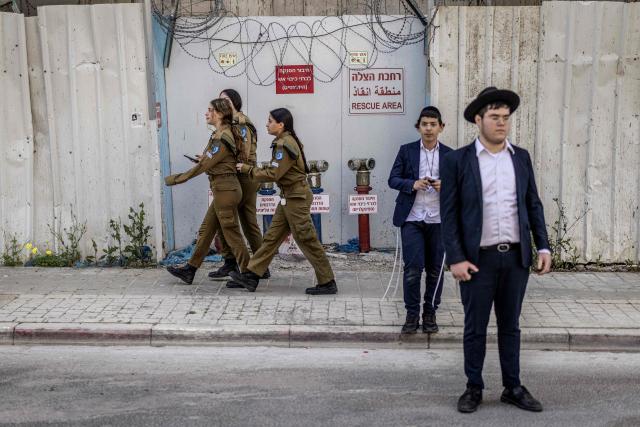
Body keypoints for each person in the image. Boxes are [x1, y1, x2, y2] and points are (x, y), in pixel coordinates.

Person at [440, 87, 552, 413]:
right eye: (494, 117)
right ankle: (474, 387)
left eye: (505, 118)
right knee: (475, 326)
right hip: (477, 260)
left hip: (515, 257)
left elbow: (533, 204)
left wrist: (542, 246)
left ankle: (512, 386)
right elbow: (449, 215)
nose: (502, 123)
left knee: (511, 325)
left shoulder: (521, 158)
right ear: (478, 119)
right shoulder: (457, 161)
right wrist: (456, 258)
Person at [226, 108, 337, 295]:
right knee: (271, 239)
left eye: (270, 121)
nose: (266, 124)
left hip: (296, 199)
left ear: (281, 124)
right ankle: (252, 275)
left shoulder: (283, 145)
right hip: (289, 197)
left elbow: (273, 173)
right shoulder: (287, 140)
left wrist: (248, 169)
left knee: (306, 239)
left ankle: (327, 281)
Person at [164, 98, 250, 285]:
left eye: (210, 110)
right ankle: (190, 269)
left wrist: (176, 179)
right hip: (223, 189)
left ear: (219, 114)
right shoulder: (220, 135)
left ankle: (249, 274)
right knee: (206, 231)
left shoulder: (222, 137)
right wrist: (205, 159)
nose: (206, 113)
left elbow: (203, 166)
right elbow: (210, 160)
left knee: (233, 234)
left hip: (226, 190)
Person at [388, 106, 452, 334]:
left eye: (433, 124)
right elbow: (392, 179)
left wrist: (446, 185)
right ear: (418, 127)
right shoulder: (406, 151)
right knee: (413, 269)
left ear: (441, 127)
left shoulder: (450, 155)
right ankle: (412, 314)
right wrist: (412, 184)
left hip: (439, 220)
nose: (428, 128)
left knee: (436, 270)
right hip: (412, 217)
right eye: (424, 124)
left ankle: (430, 312)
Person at [208, 89, 269, 282]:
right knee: (228, 220)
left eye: (225, 99)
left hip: (244, 177)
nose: (221, 102)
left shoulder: (241, 123)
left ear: (235, 102)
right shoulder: (228, 124)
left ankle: (254, 265)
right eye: (219, 99)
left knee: (244, 222)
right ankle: (233, 262)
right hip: (236, 176)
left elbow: (244, 152)